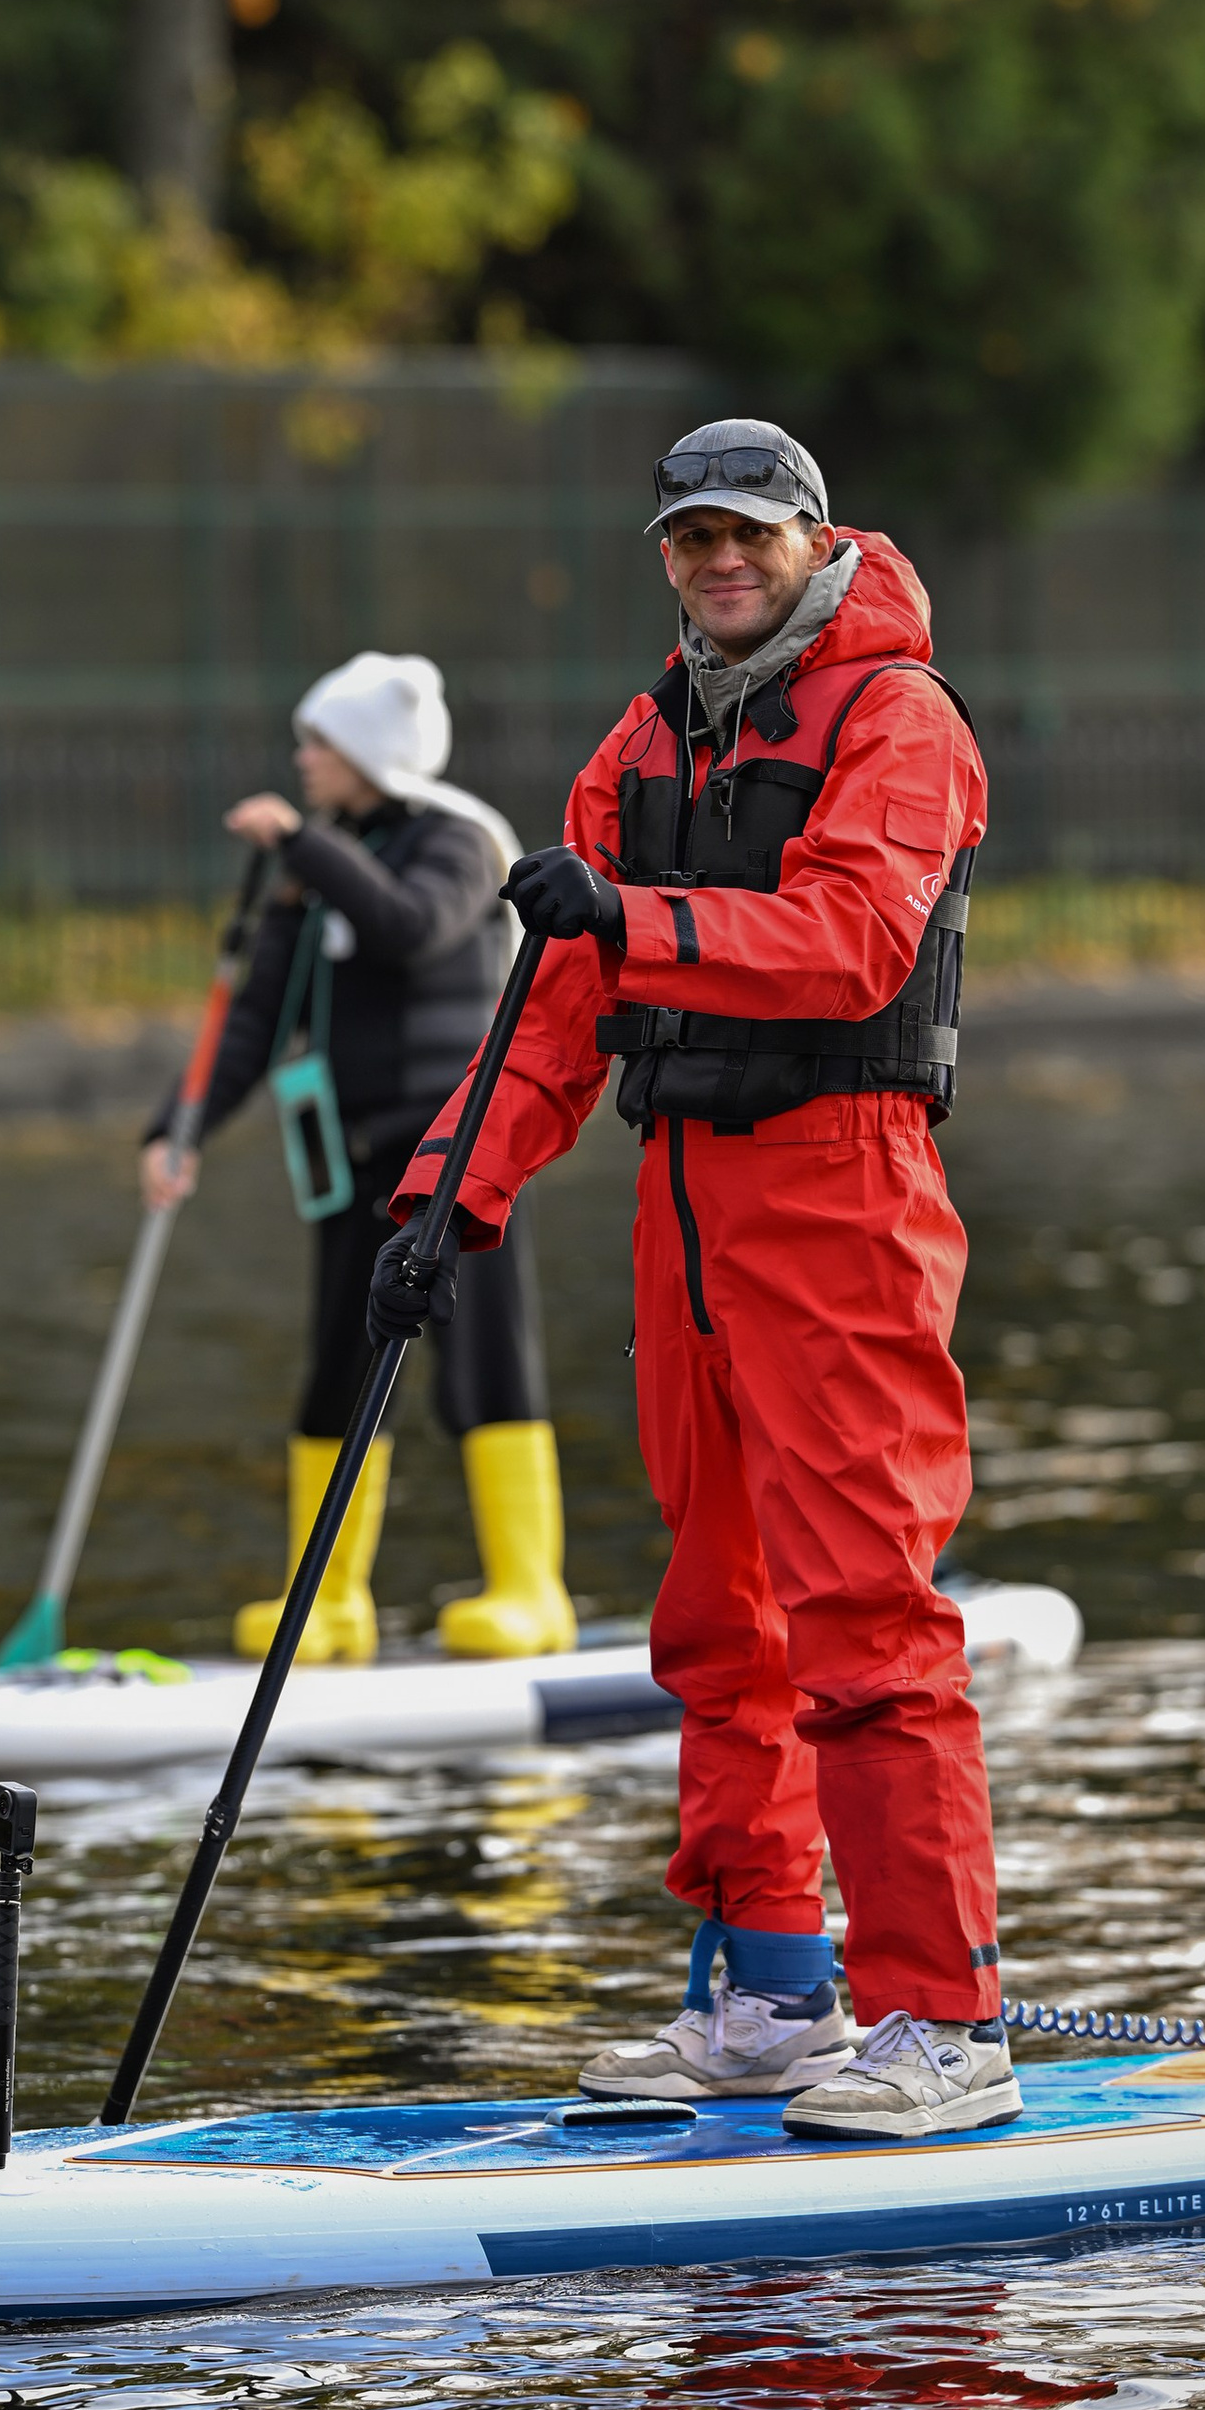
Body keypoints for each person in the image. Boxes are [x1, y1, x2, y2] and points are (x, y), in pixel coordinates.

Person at [382, 419, 1013, 2140]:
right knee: (716, 1620)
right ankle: (766, 1997)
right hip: (684, 1207)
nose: (719, 561)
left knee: (864, 1614)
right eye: (689, 538)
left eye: (749, 533)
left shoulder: (902, 721)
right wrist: (449, 1198)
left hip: (842, 1196)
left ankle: (942, 2022)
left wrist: (633, 922)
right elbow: (559, 1016)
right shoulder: (640, 742)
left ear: (816, 541)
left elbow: (848, 946)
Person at [141, 649, 576, 1668]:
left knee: (481, 1359)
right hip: (353, 1157)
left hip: (462, 1157)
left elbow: (410, 928)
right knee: (335, 1368)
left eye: (318, 745)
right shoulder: (322, 861)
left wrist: (302, 846)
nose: (301, 761)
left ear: (369, 753)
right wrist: (180, 1125)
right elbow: (252, 1020)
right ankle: (329, 1601)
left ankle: (529, 1589)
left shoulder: (462, 842)